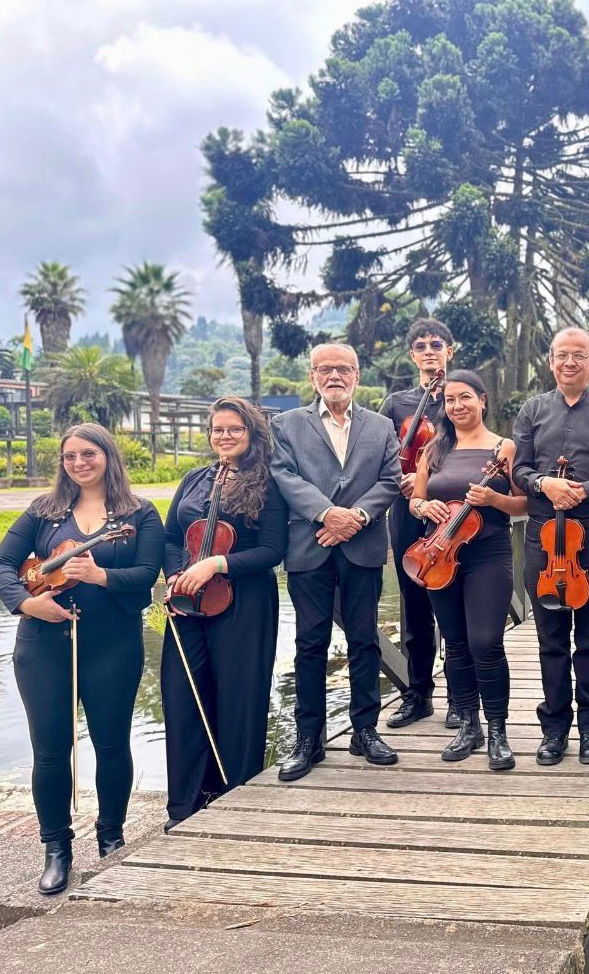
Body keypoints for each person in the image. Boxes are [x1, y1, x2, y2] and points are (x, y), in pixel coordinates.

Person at [0, 424, 163, 894]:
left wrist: (102, 576)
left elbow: (147, 575)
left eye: (89, 453)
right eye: (70, 456)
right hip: (43, 646)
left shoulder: (139, 513)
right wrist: (27, 604)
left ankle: (111, 840)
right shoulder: (44, 511)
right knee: (49, 750)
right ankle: (56, 848)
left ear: (107, 455)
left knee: (111, 745)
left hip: (113, 645)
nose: (79, 463)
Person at [271, 343, 403, 781]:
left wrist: (357, 517)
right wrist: (327, 514)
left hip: (363, 546)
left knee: (364, 639)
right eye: (325, 369)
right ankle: (309, 738)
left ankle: (365, 730)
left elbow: (390, 480)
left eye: (343, 369)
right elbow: (284, 475)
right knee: (310, 643)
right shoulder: (286, 424)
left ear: (356, 375)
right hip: (309, 545)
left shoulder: (381, 426)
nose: (334, 376)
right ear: (312, 376)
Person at [512, 328, 589, 766]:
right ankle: (554, 728)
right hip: (544, 536)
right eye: (562, 355)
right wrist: (544, 483)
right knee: (549, 636)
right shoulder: (533, 410)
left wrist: (585, 490)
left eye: (578, 355)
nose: (570, 362)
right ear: (550, 362)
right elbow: (519, 470)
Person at [161, 397, 287, 827]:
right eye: (218, 429)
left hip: (245, 601)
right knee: (184, 696)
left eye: (235, 429)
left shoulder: (267, 482)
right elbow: (171, 537)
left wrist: (217, 564)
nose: (225, 436)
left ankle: (236, 799)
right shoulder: (196, 479)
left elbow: (273, 550)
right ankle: (185, 805)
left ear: (252, 433)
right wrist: (175, 576)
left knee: (239, 697)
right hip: (188, 600)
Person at [409, 371, 526, 769]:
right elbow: (415, 500)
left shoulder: (504, 447)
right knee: (455, 643)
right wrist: (423, 507)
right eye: (450, 400)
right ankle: (468, 725)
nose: (457, 406)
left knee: (486, 641)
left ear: (482, 400)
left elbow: (524, 504)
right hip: (438, 554)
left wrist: (494, 499)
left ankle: (498, 730)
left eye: (465, 398)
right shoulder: (433, 449)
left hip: (488, 554)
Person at [379, 318, 455, 729]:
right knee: (413, 600)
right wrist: (402, 480)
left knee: (455, 601)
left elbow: (474, 450)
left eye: (436, 344)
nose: (429, 351)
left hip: (451, 511)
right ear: (413, 355)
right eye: (422, 346)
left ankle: (461, 698)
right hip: (407, 510)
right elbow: (379, 454)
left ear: (449, 351)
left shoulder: (461, 396)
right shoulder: (396, 403)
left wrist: (429, 478)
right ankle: (418, 694)